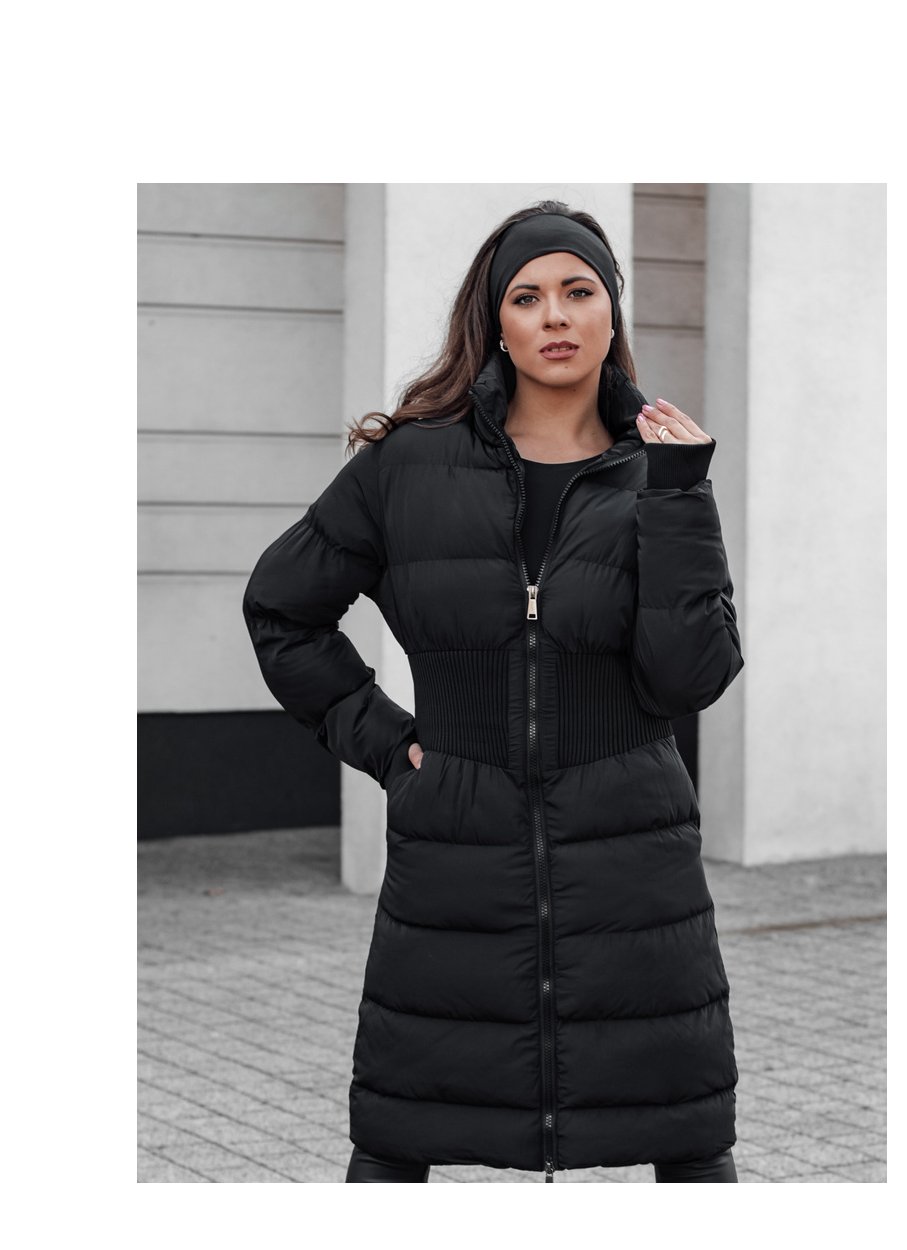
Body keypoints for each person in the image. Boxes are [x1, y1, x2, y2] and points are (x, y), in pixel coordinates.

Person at [242, 200, 744, 1183]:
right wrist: (385, 742)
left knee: (683, 1132)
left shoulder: (658, 474)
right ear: (496, 322)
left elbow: (690, 676)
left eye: (578, 291)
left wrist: (681, 493)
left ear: (610, 312)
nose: (554, 314)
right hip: (454, 848)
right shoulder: (408, 466)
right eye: (527, 296)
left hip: (634, 856)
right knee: (399, 1133)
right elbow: (282, 609)